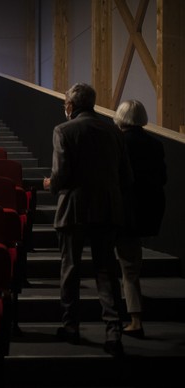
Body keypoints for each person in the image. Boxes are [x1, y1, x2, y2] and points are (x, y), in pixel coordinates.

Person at [43, 83, 132, 357]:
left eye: (65, 104)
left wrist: (50, 185)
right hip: (107, 209)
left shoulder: (63, 130)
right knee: (106, 271)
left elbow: (61, 175)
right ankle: (113, 331)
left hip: (74, 209)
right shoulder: (113, 131)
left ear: (70, 106)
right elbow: (126, 175)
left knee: (70, 269)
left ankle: (71, 327)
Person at [113, 99, 166, 339]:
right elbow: (162, 178)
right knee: (131, 261)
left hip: (123, 210)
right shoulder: (155, 144)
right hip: (148, 210)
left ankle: (134, 319)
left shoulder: (118, 143)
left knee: (127, 266)